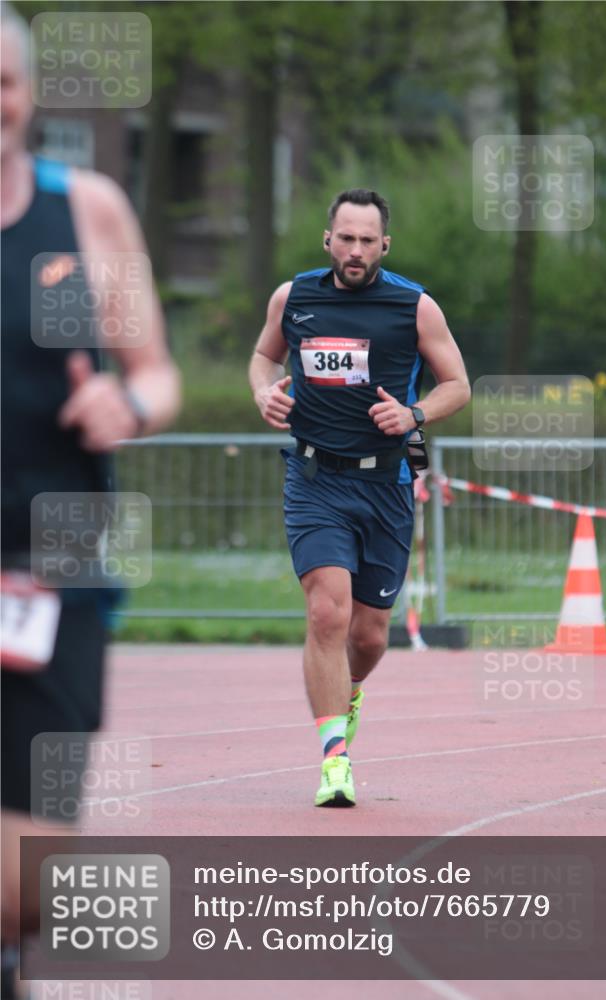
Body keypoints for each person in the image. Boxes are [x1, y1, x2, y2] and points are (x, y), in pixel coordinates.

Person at [0, 4, 181, 990]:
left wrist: (128, 404)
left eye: (2, 82)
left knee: (31, 874)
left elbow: (157, 372)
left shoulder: (88, 210)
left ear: (28, 93)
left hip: (54, 560)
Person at [249, 188, 470, 807]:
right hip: (315, 480)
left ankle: (347, 692)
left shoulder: (414, 306)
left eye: (367, 240)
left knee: (369, 636)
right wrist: (263, 390)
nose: (355, 250)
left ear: (384, 245)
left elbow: (458, 384)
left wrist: (414, 413)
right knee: (328, 613)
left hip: (386, 484)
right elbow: (264, 356)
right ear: (328, 240)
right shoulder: (293, 298)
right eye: (345, 238)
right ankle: (334, 761)